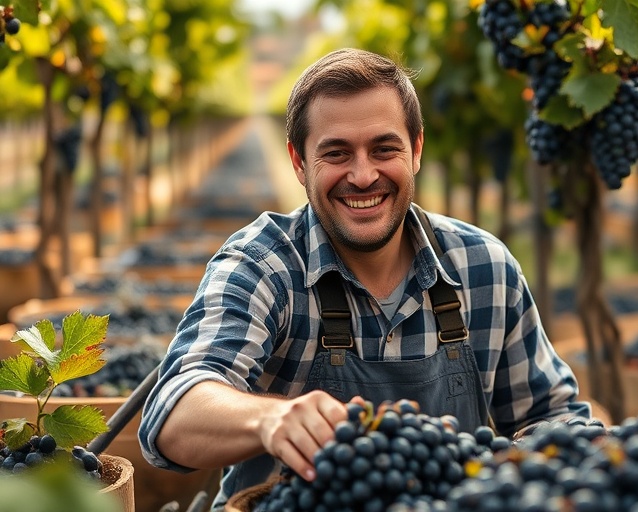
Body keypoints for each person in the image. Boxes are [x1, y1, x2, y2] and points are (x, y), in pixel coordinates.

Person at [137, 48, 595, 509]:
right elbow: (173, 414)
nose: (362, 175)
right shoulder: (264, 266)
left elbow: (552, 414)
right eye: (336, 153)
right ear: (298, 162)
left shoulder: (485, 268)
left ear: (416, 150)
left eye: (384, 149)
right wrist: (269, 421)